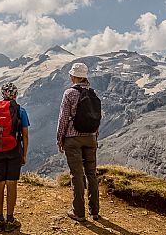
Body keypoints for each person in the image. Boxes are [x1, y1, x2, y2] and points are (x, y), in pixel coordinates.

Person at [56, 62, 100, 222]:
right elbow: (97, 118)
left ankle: (79, 212)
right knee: (91, 174)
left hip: (72, 138)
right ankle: (95, 211)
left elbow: (63, 118)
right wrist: (95, 137)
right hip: (90, 137)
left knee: (77, 174)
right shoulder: (93, 93)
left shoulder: (69, 93)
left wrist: (60, 139)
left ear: (73, 76)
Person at [0, 82, 30, 232]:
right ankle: (10, 219)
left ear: (2, 94)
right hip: (14, 152)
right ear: (16, 94)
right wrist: (24, 154)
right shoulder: (21, 110)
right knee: (11, 185)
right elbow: (25, 135)